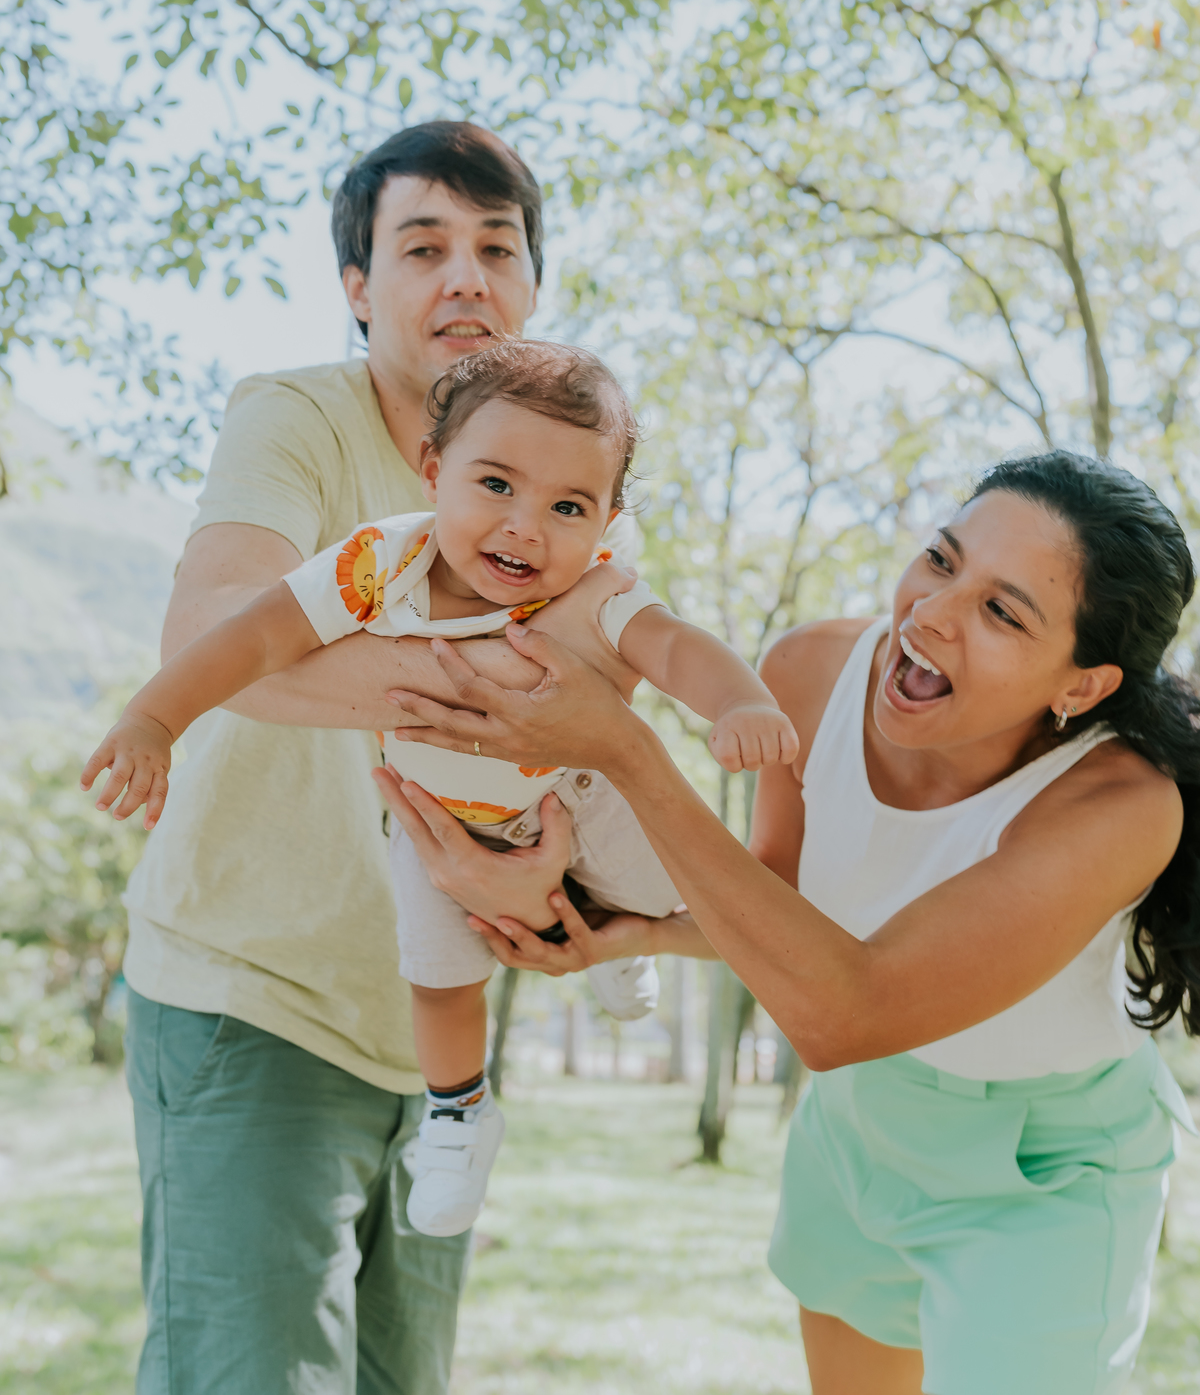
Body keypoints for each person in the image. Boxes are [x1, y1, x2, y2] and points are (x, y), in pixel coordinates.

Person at [379, 449, 1200, 1395]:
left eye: (1002, 611)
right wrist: (633, 931)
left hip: (1044, 1170)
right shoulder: (810, 671)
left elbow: (844, 1013)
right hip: (858, 1128)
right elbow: (787, 902)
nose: (931, 614)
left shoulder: (1120, 805)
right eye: (941, 559)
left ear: (1082, 685)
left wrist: (625, 751)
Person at [87, 337, 798, 1238]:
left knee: (668, 878)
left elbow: (673, 645)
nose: (525, 526)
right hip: (435, 823)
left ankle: (624, 942)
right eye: (495, 484)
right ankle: (460, 1113)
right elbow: (255, 636)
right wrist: (156, 719)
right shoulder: (379, 564)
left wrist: (738, 700)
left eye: (568, 504)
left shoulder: (596, 591)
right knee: (436, 978)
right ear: (434, 470)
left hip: (574, 795)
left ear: (608, 520)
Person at [116, 120, 607, 1395]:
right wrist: (488, 703)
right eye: (423, 246)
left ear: (532, 285)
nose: (465, 278)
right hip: (251, 996)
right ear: (358, 287)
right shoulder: (297, 417)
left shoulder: (554, 485)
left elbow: (591, 722)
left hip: (431, 1041)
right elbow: (210, 627)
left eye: (497, 248)